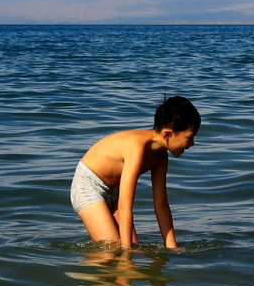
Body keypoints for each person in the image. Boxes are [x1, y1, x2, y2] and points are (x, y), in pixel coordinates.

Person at [70, 95, 200, 249]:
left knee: (134, 246)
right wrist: (126, 253)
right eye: (189, 137)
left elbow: (161, 206)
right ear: (167, 134)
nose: (192, 143)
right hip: (88, 186)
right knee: (114, 248)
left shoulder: (161, 157)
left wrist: (172, 247)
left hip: (114, 190)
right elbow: (126, 205)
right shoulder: (137, 148)